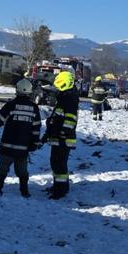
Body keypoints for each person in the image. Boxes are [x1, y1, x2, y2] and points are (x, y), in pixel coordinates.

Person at [0, 78, 42, 197]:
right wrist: (34, 143)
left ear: (17, 90)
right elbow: (36, 129)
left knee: (3, 167)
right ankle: (24, 191)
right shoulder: (34, 108)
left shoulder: (11, 105)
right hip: (23, 146)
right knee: (22, 170)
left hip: (7, 145)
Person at [42, 70, 79, 199]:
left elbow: (70, 119)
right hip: (58, 137)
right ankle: (58, 186)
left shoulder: (69, 99)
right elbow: (57, 117)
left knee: (59, 164)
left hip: (63, 138)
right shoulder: (64, 98)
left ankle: (60, 190)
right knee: (55, 163)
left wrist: (64, 132)